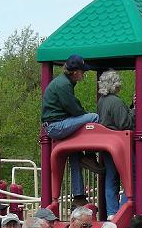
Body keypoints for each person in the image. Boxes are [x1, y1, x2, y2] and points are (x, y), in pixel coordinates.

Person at [41, 54, 100, 201]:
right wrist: (84, 114)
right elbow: (74, 108)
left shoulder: (64, 82)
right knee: (94, 117)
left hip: (56, 123)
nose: (84, 74)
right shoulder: (63, 84)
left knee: (75, 153)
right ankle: (90, 156)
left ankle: (79, 196)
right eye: (82, 71)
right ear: (75, 72)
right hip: (56, 126)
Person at [96, 69, 134, 216]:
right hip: (119, 145)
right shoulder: (116, 101)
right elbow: (124, 123)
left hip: (106, 145)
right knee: (131, 175)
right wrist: (134, 111)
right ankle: (124, 207)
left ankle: (112, 211)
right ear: (115, 84)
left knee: (111, 177)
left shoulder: (102, 101)